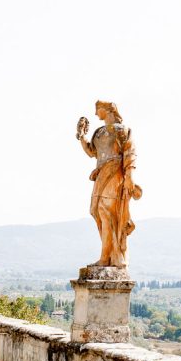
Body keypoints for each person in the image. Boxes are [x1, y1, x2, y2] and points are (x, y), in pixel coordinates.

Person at [76, 102, 142, 268]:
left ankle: (110, 257)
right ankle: (109, 254)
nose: (95, 113)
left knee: (107, 211)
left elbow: (130, 152)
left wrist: (130, 176)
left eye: (98, 109)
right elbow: (92, 152)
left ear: (108, 110)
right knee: (97, 210)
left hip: (115, 172)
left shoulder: (121, 130)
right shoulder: (99, 132)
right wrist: (82, 137)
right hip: (101, 174)